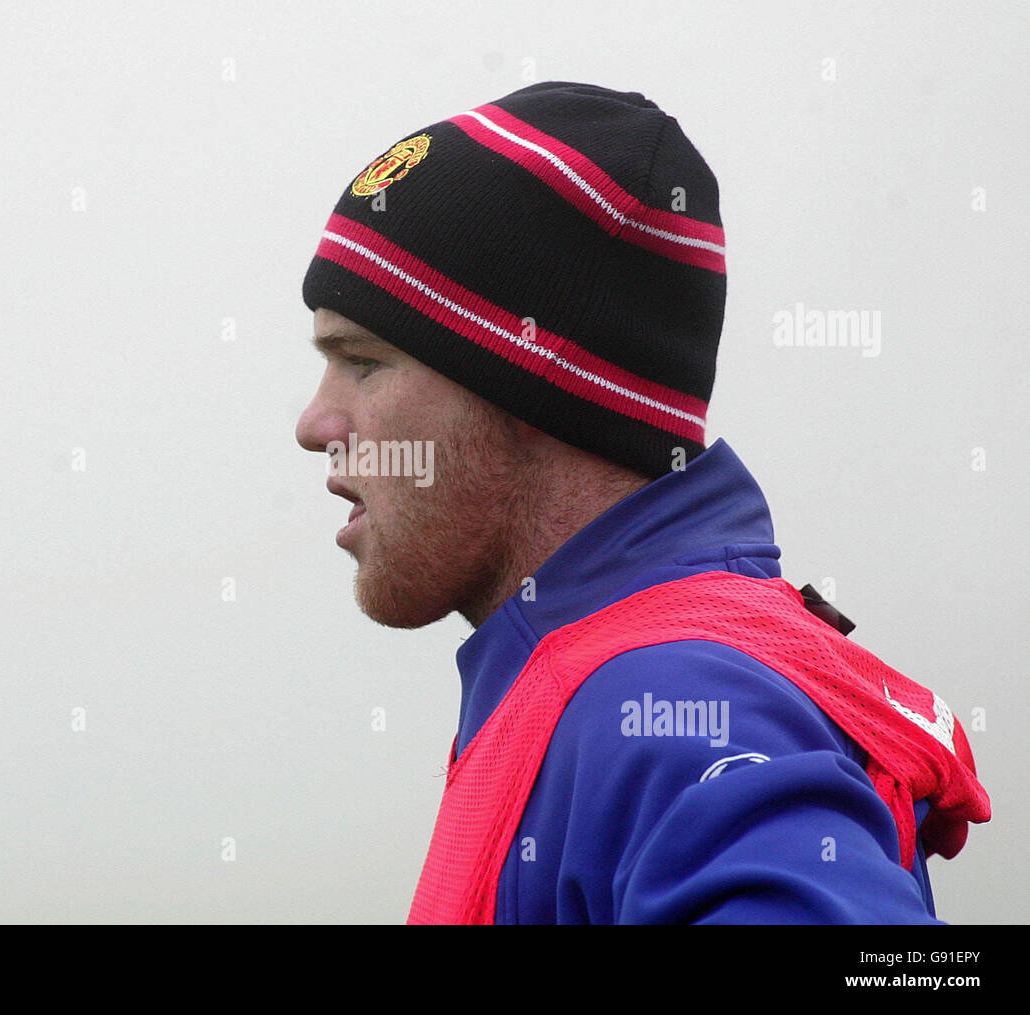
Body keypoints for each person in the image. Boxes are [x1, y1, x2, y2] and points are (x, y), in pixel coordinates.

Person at [294, 81, 989, 924]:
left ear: (525, 384)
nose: (314, 422)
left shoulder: (669, 702)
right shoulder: (588, 673)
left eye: (363, 360)